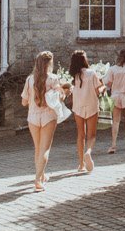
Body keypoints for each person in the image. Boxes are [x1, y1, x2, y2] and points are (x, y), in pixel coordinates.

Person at [21, 51, 67, 191]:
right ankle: (37, 180)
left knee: (38, 149)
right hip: (48, 116)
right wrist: (64, 92)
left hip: (33, 117)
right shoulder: (53, 79)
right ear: (50, 63)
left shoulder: (29, 80)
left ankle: (41, 176)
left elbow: (24, 102)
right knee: (45, 149)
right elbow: (61, 97)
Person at [68, 50, 103, 173]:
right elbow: (98, 91)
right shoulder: (91, 73)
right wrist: (103, 87)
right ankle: (88, 152)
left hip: (78, 107)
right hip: (92, 104)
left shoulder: (73, 76)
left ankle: (81, 164)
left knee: (80, 135)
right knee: (91, 135)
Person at [104, 48, 125, 153]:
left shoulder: (112, 69)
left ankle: (113, 145)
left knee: (115, 121)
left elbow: (109, 84)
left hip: (115, 96)